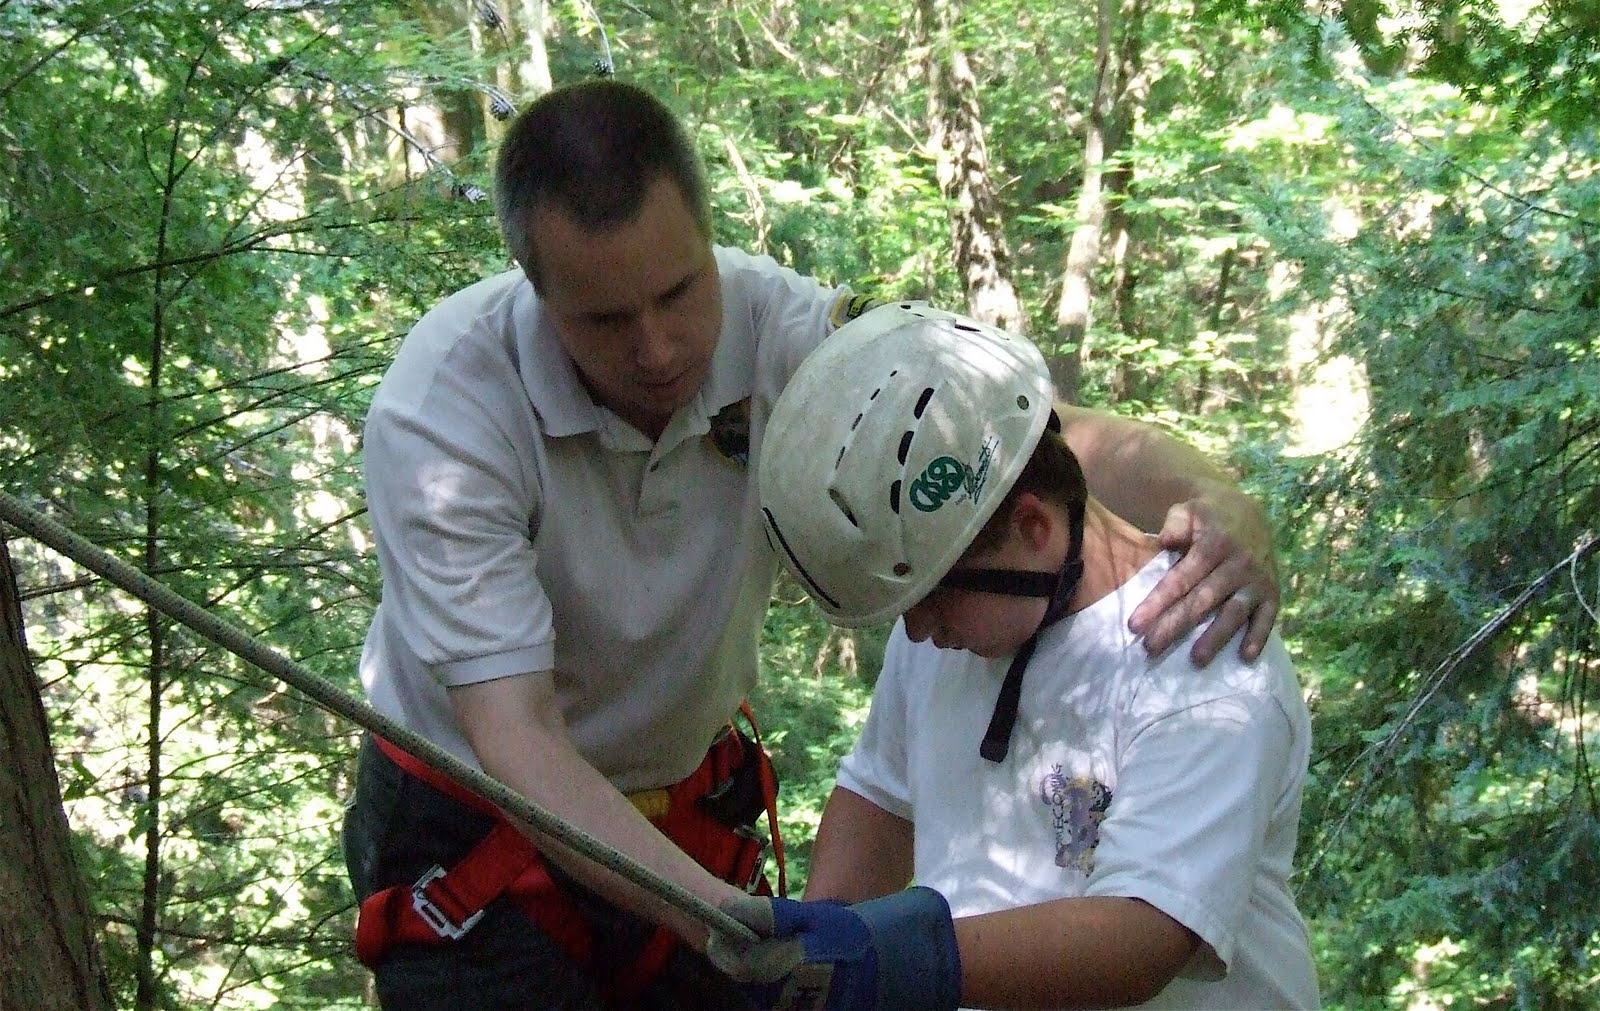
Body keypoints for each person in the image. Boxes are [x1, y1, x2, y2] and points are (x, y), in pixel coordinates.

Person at [341, 77, 1285, 1009]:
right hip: (475, 825)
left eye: (680, 291)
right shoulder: (447, 418)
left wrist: (1216, 501)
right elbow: (516, 736)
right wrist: (737, 920)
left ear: (711, 241)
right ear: (535, 291)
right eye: (605, 319)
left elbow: (1013, 432)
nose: (661, 346)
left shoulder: (784, 329)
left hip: (677, 796)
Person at [720, 302, 1317, 1009]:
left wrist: (890, 956)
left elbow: (1142, 935)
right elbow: (881, 796)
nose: (914, 632)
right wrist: (819, 946)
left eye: (932, 601)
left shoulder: (1204, 657)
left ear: (1032, 526)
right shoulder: (959, 605)